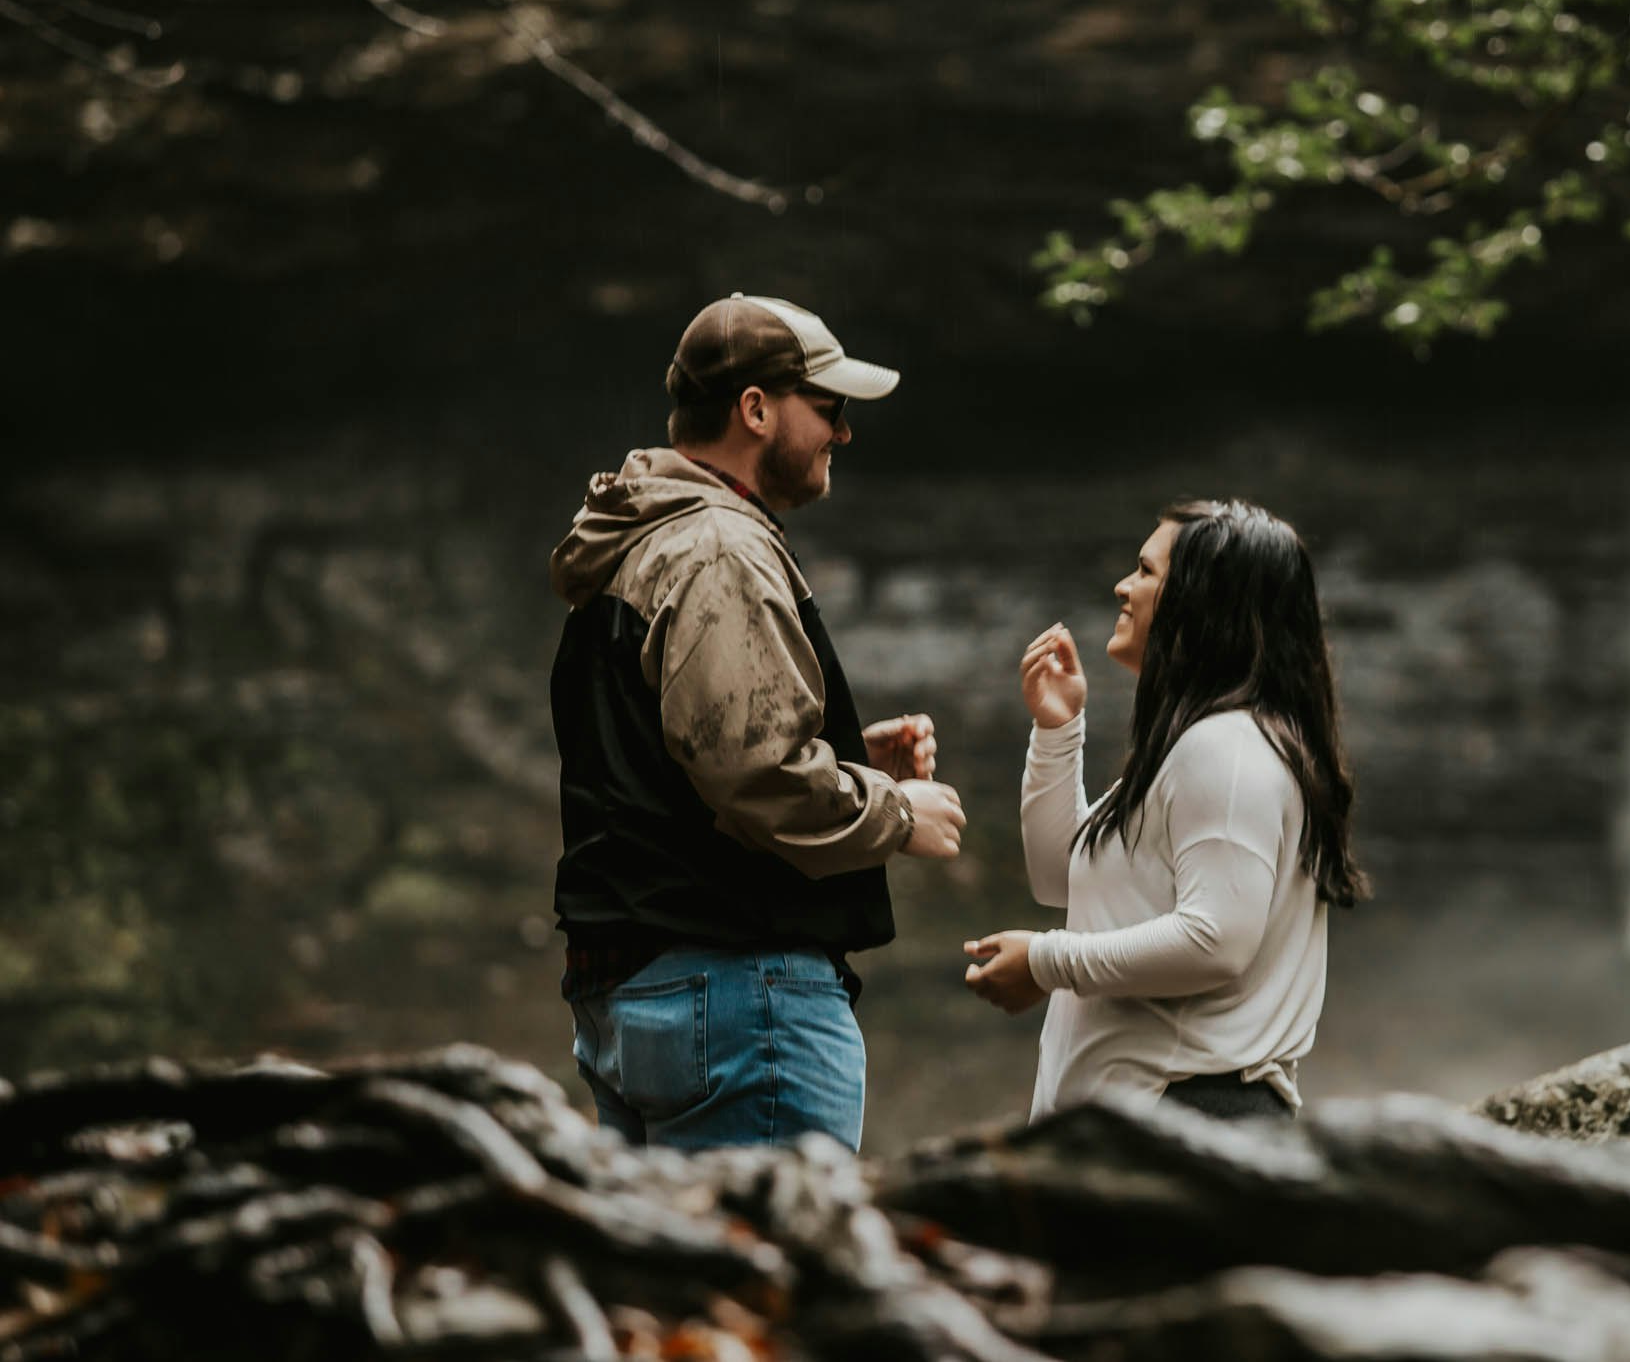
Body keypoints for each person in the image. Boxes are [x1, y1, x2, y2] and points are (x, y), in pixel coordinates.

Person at [547, 292, 966, 1153]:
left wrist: (848, 757)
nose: (843, 433)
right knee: (784, 1281)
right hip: (736, 997)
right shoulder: (720, 548)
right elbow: (758, 777)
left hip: (634, 995)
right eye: (830, 408)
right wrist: (894, 815)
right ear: (756, 409)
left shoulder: (635, 539)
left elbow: (672, 758)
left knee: (684, 1284)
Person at [963, 499, 1369, 1121]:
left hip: (1192, 1112)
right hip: (1153, 1118)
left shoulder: (1228, 750)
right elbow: (1057, 880)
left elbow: (1216, 940)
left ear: (1203, 601)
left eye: (1146, 572)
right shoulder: (1204, 745)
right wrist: (1057, 730)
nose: (1123, 587)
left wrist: (1047, 963)